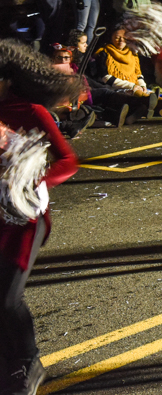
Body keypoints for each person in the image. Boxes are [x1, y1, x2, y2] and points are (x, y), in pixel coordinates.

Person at [0, 40, 81, 394]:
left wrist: (31, 180)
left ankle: (28, 361)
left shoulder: (32, 111)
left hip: (25, 217)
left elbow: (68, 161)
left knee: (6, 297)